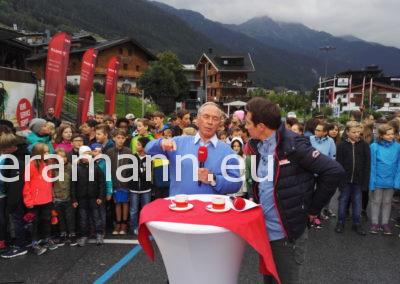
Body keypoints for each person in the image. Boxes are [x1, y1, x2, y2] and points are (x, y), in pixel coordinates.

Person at [243, 97, 344, 284]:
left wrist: (313, 209)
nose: (245, 126)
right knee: (269, 280)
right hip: (266, 232)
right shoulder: (255, 145)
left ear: (261, 126)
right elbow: (257, 183)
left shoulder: (294, 145)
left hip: (287, 235)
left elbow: (334, 171)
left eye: (248, 123)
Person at [145, 102, 242, 196]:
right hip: (180, 208)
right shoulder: (178, 142)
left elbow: (236, 184)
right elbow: (148, 149)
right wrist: (160, 143)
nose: (210, 122)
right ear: (198, 119)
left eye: (215, 118)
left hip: (212, 209)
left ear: (219, 123)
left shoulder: (227, 151)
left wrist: (213, 178)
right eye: (206, 117)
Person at [335, 121, 370, 235]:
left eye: (359, 132)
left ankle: (356, 224)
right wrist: (339, 181)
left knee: (357, 203)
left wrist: (365, 182)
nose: (356, 134)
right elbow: (338, 164)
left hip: (358, 181)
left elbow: (367, 164)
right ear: (347, 132)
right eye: (354, 132)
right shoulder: (341, 145)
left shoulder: (364, 145)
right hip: (345, 180)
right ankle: (340, 222)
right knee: (343, 201)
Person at [23, 143, 58, 255]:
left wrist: (51, 195)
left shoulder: (48, 164)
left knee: (46, 220)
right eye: (46, 152)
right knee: (34, 222)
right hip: (35, 201)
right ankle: (34, 244)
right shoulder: (31, 166)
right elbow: (26, 184)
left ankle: (47, 239)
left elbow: (49, 183)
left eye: (48, 151)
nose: (49, 153)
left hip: (46, 199)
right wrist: (28, 200)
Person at [0, 129, 30, 258]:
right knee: (19, 220)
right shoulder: (15, 156)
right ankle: (22, 242)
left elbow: (15, 185)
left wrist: (10, 204)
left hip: (16, 197)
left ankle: (20, 246)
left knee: (17, 220)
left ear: (11, 147)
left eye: (3, 149)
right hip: (17, 195)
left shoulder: (16, 161)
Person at [369, 124, 400, 235]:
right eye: (388, 134)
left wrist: (397, 181)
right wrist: (372, 182)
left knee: (387, 202)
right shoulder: (374, 147)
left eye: (393, 134)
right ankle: (375, 223)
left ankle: (385, 223)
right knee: (376, 202)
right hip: (377, 180)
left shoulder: (398, 147)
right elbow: (372, 165)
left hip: (391, 181)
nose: (391, 136)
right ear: (381, 135)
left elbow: (399, 165)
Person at [71, 146, 105, 246]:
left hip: (94, 197)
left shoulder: (96, 167)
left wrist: (100, 196)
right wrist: (74, 199)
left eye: (89, 154)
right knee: (83, 218)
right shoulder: (76, 169)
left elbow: (101, 183)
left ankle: (99, 234)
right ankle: (84, 235)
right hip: (81, 198)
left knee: (96, 216)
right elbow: (73, 185)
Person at [106, 130, 133, 235]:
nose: (120, 140)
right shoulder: (109, 151)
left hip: (125, 183)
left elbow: (131, 168)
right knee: (117, 203)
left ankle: (124, 224)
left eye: (122, 138)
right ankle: (117, 223)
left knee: (125, 203)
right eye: (118, 137)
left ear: (125, 139)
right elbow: (108, 168)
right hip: (114, 182)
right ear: (114, 138)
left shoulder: (128, 151)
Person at [53, 148, 77, 246]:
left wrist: (74, 198)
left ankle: (72, 233)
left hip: (68, 197)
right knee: (60, 217)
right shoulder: (52, 169)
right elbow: (50, 184)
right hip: (57, 198)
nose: (62, 159)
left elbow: (74, 184)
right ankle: (63, 234)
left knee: (70, 217)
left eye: (64, 157)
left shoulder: (71, 168)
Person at [130, 137, 152, 235]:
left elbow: (146, 176)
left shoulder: (149, 158)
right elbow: (130, 172)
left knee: (146, 209)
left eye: (138, 144)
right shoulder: (133, 157)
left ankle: (145, 227)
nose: (136, 145)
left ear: (144, 147)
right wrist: (141, 170)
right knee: (133, 210)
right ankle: (134, 226)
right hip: (134, 188)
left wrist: (138, 170)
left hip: (146, 188)